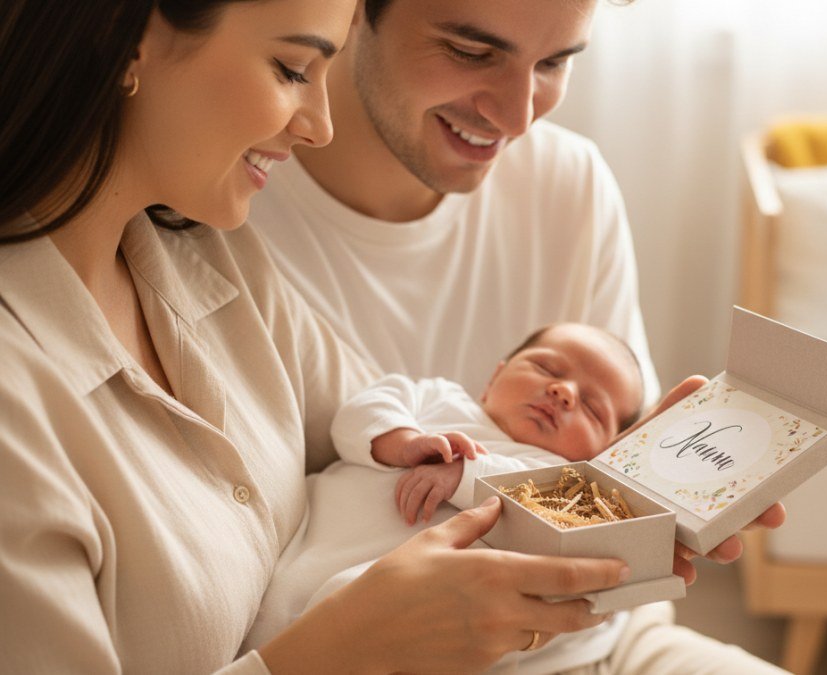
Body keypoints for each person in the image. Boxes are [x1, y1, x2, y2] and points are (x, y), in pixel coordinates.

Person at [0, 2, 637, 672]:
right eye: (292, 69)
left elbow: (409, 421)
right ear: (128, 37)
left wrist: (643, 483)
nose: (321, 125)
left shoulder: (211, 261)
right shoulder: (22, 401)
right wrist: (347, 645)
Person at [247, 0, 787, 584]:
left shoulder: (569, 184)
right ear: (351, 11)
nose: (517, 116)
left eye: (553, 63)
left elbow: (604, 485)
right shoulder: (227, 208)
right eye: (470, 52)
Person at [245, 322, 648, 671]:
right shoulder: (438, 397)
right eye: (546, 367)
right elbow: (360, 412)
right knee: (267, 620)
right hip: (308, 552)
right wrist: (403, 442)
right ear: (495, 378)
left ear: (601, 454)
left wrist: (464, 473)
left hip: (413, 612)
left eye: (593, 409)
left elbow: (531, 503)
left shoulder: (562, 478)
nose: (563, 392)